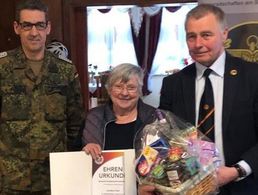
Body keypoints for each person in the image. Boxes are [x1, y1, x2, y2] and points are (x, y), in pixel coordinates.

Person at [145, 3, 257, 195]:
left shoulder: (253, 76)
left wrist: (237, 170)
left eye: (206, 35)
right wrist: (151, 177)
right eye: (191, 36)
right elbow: (164, 135)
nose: (198, 44)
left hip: (244, 184)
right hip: (189, 188)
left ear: (224, 34)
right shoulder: (173, 83)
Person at [0, 0, 85, 194]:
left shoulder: (65, 70)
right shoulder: (2, 68)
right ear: (16, 28)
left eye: (40, 25)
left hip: (55, 177)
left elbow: (75, 123)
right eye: (27, 25)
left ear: (48, 28)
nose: (33, 32)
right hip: (11, 178)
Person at [82, 63, 157, 159]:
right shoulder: (93, 117)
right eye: (118, 87)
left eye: (131, 88)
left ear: (140, 90)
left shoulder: (153, 117)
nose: (124, 93)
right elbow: (75, 154)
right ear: (109, 89)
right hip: (102, 173)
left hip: (144, 172)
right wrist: (86, 150)